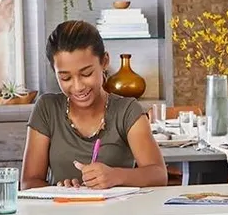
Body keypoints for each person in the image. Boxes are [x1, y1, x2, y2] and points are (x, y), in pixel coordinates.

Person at [21, 20, 168, 189]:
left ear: (104, 61)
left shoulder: (127, 111)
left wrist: (115, 176)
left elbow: (158, 175)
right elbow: (29, 182)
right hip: (61, 212)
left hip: (117, 214)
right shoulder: (47, 108)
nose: (78, 87)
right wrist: (59, 190)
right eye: (65, 78)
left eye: (86, 73)